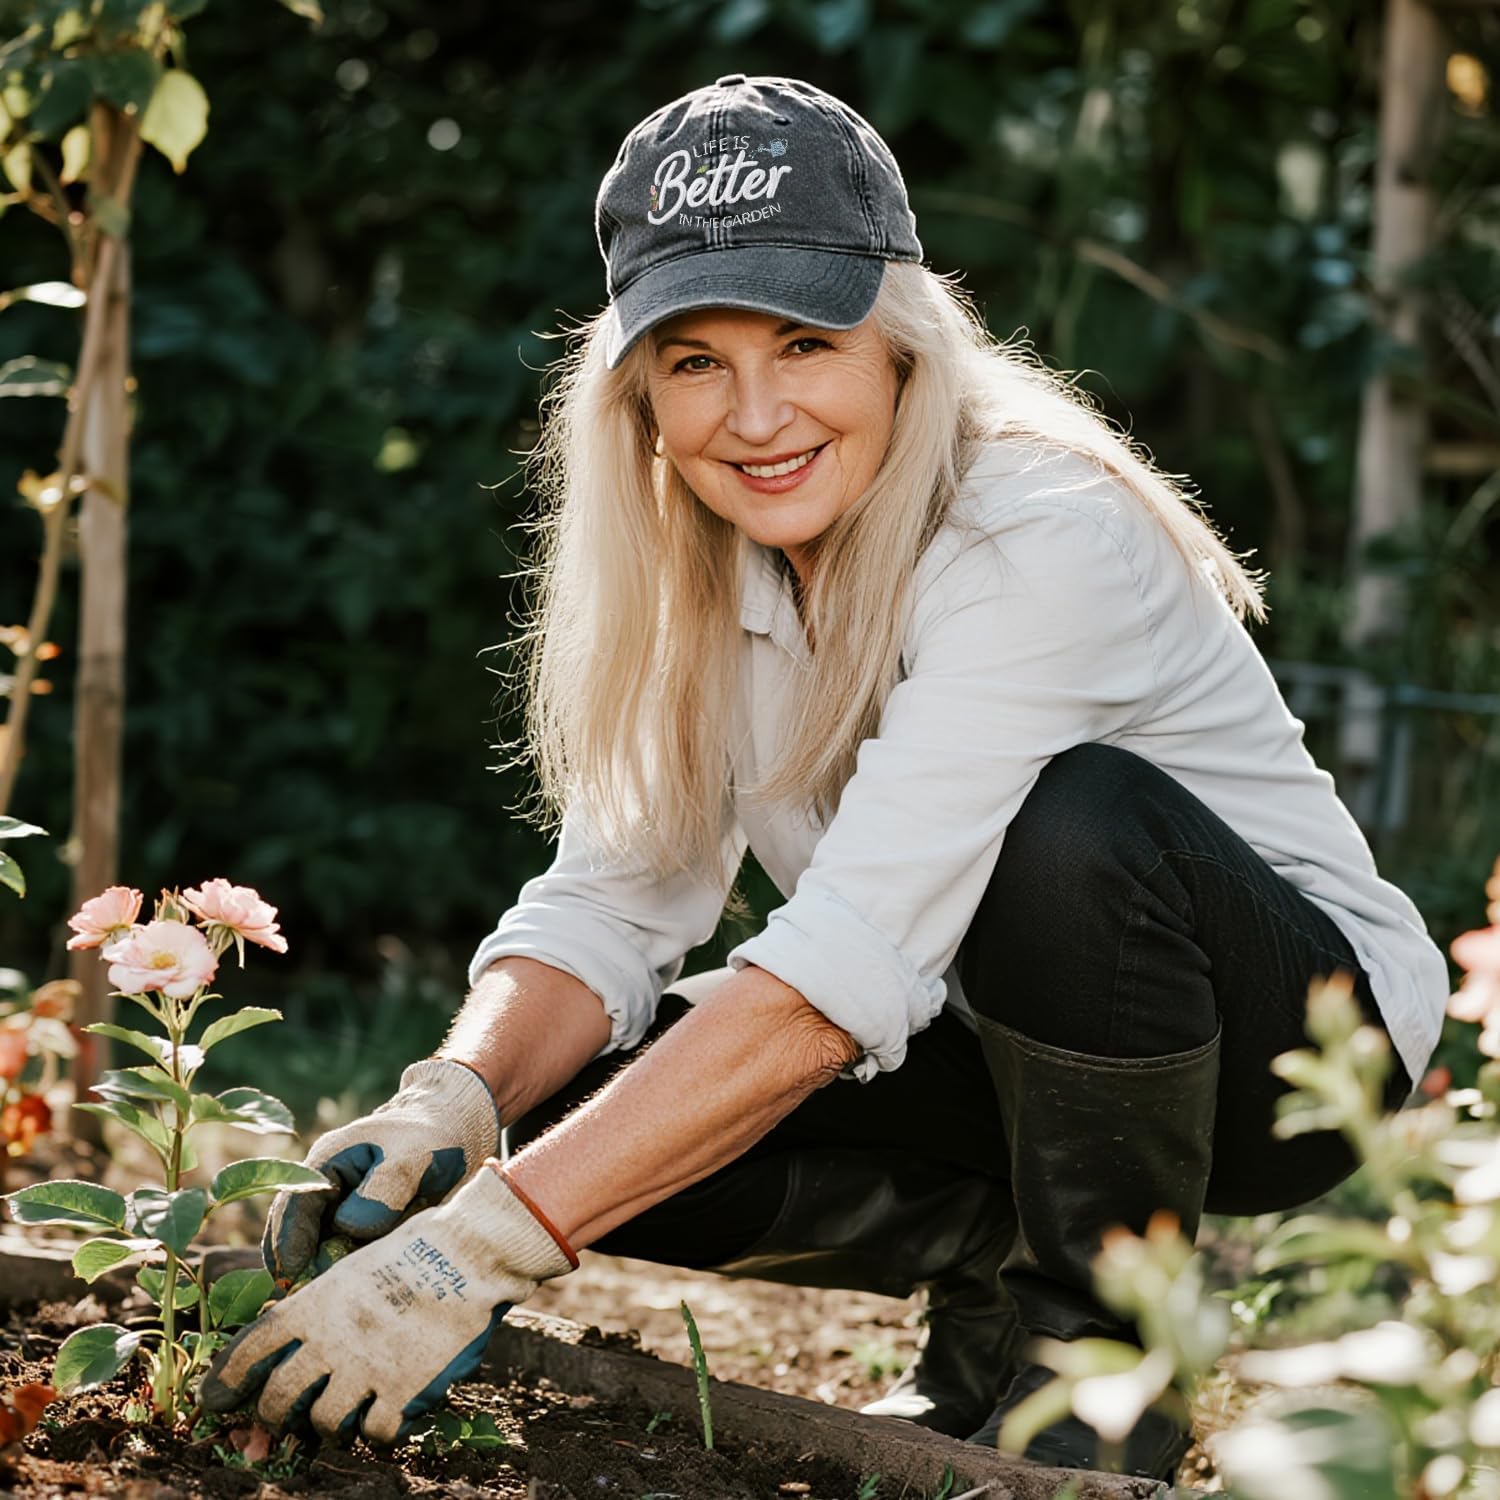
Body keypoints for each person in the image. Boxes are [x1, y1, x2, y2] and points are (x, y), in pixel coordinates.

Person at [203, 74, 1449, 1479]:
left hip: (1283, 1055)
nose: (754, 415)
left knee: (1070, 830)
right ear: (640, 399)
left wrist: (476, 1255)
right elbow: (611, 905)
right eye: (694, 361)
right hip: (981, 1045)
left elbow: (835, 976)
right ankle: (992, 1258)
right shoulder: (707, 570)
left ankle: (1097, 1392)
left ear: (902, 350)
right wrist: (454, 1100)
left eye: (805, 342)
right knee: (558, 1112)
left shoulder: (1035, 537)